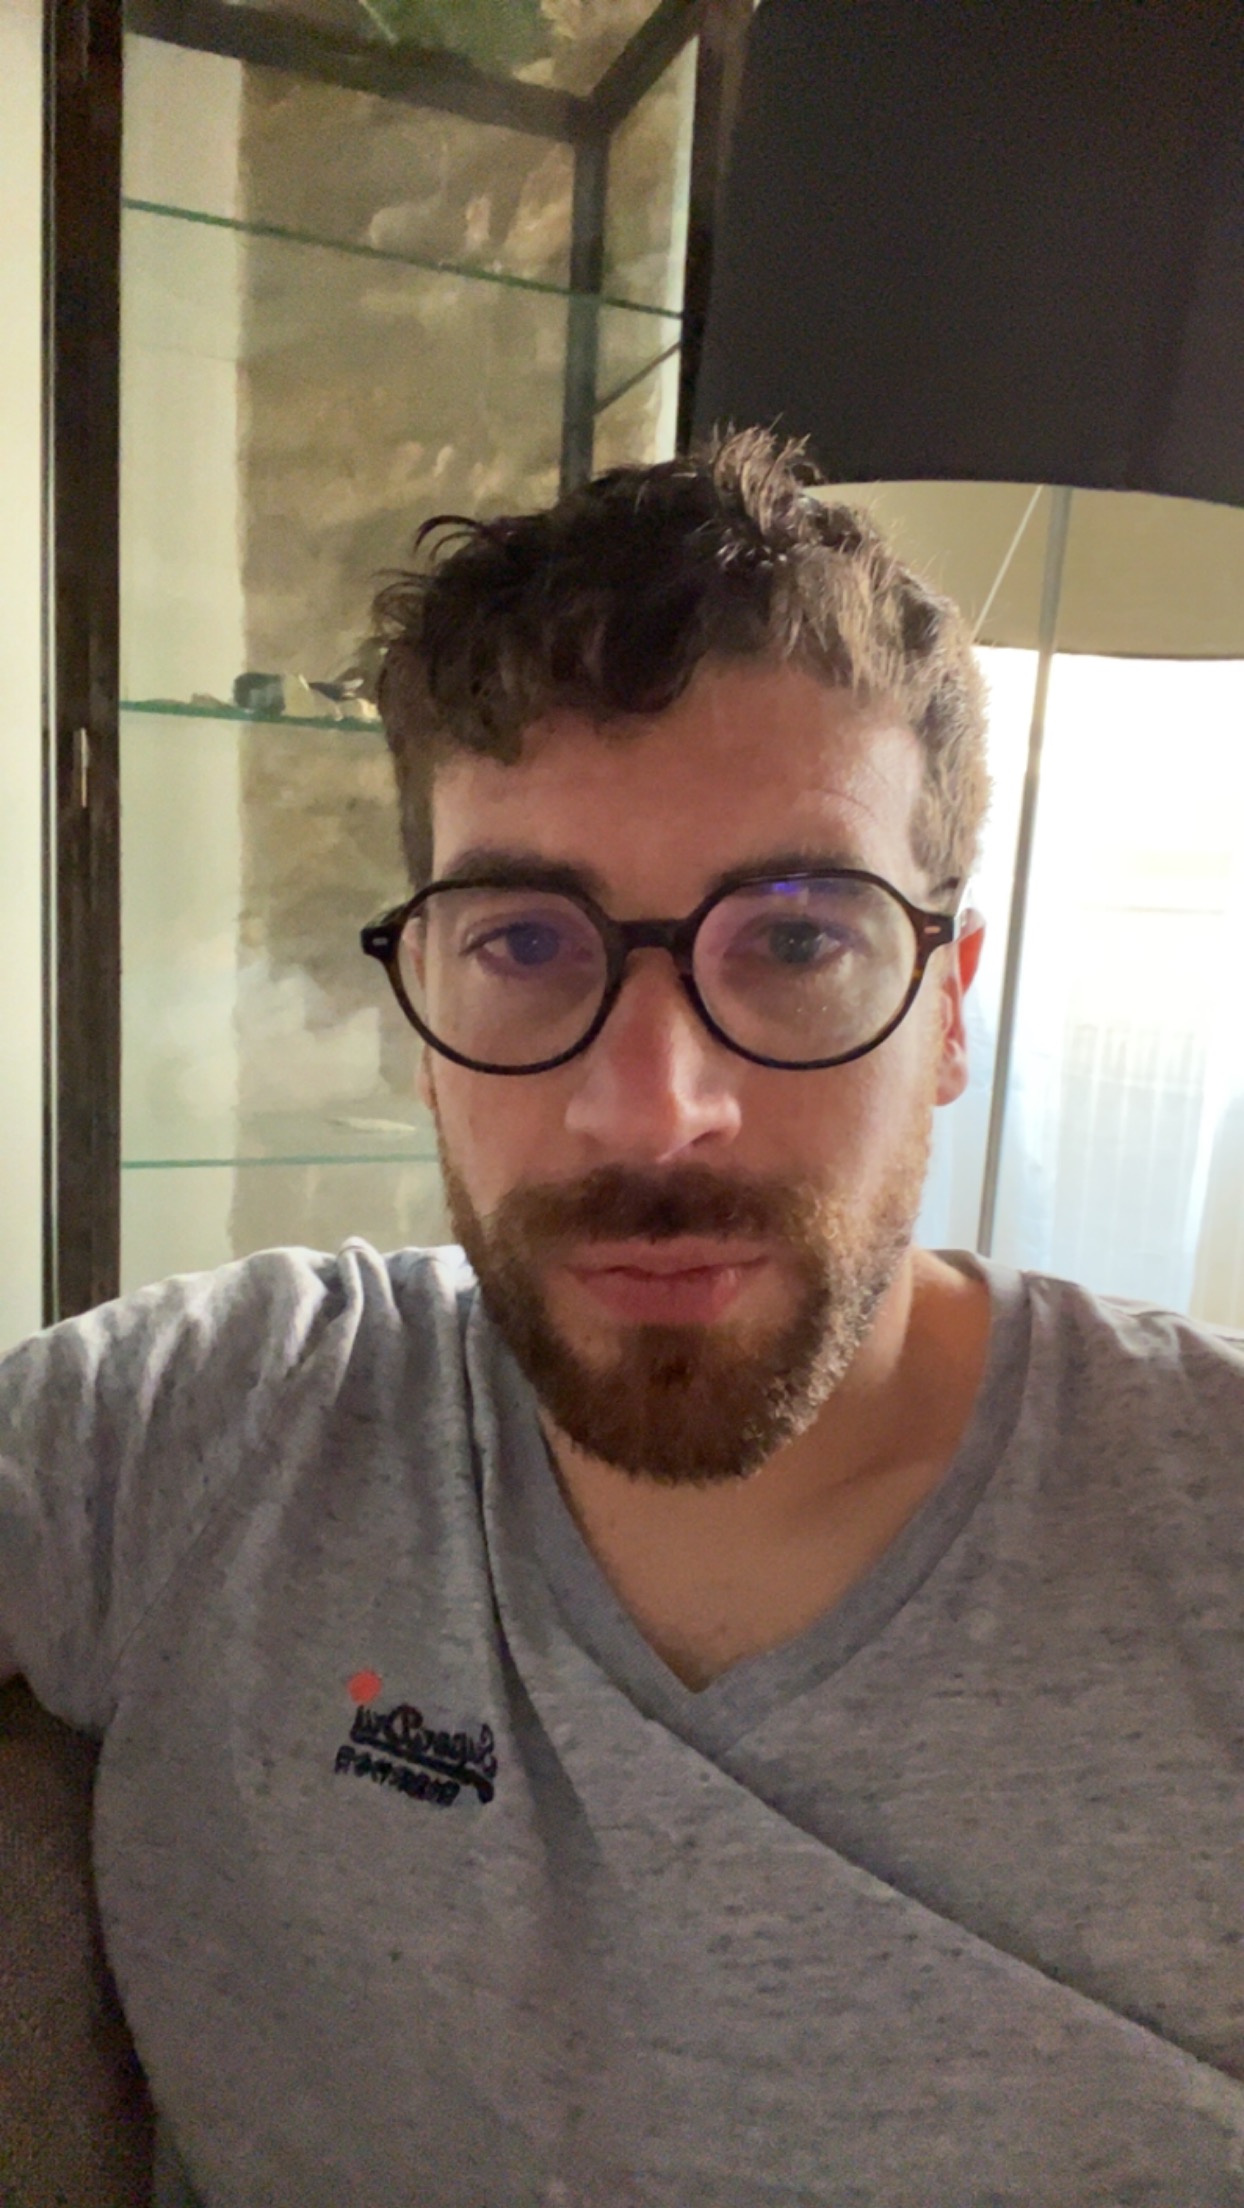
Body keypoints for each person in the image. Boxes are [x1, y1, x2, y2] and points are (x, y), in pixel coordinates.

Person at [2, 428, 1242, 2207]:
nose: (654, 1111)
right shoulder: (196, 1439)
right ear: (421, 1011)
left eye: (797, 941)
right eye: (523, 944)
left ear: (952, 1009)